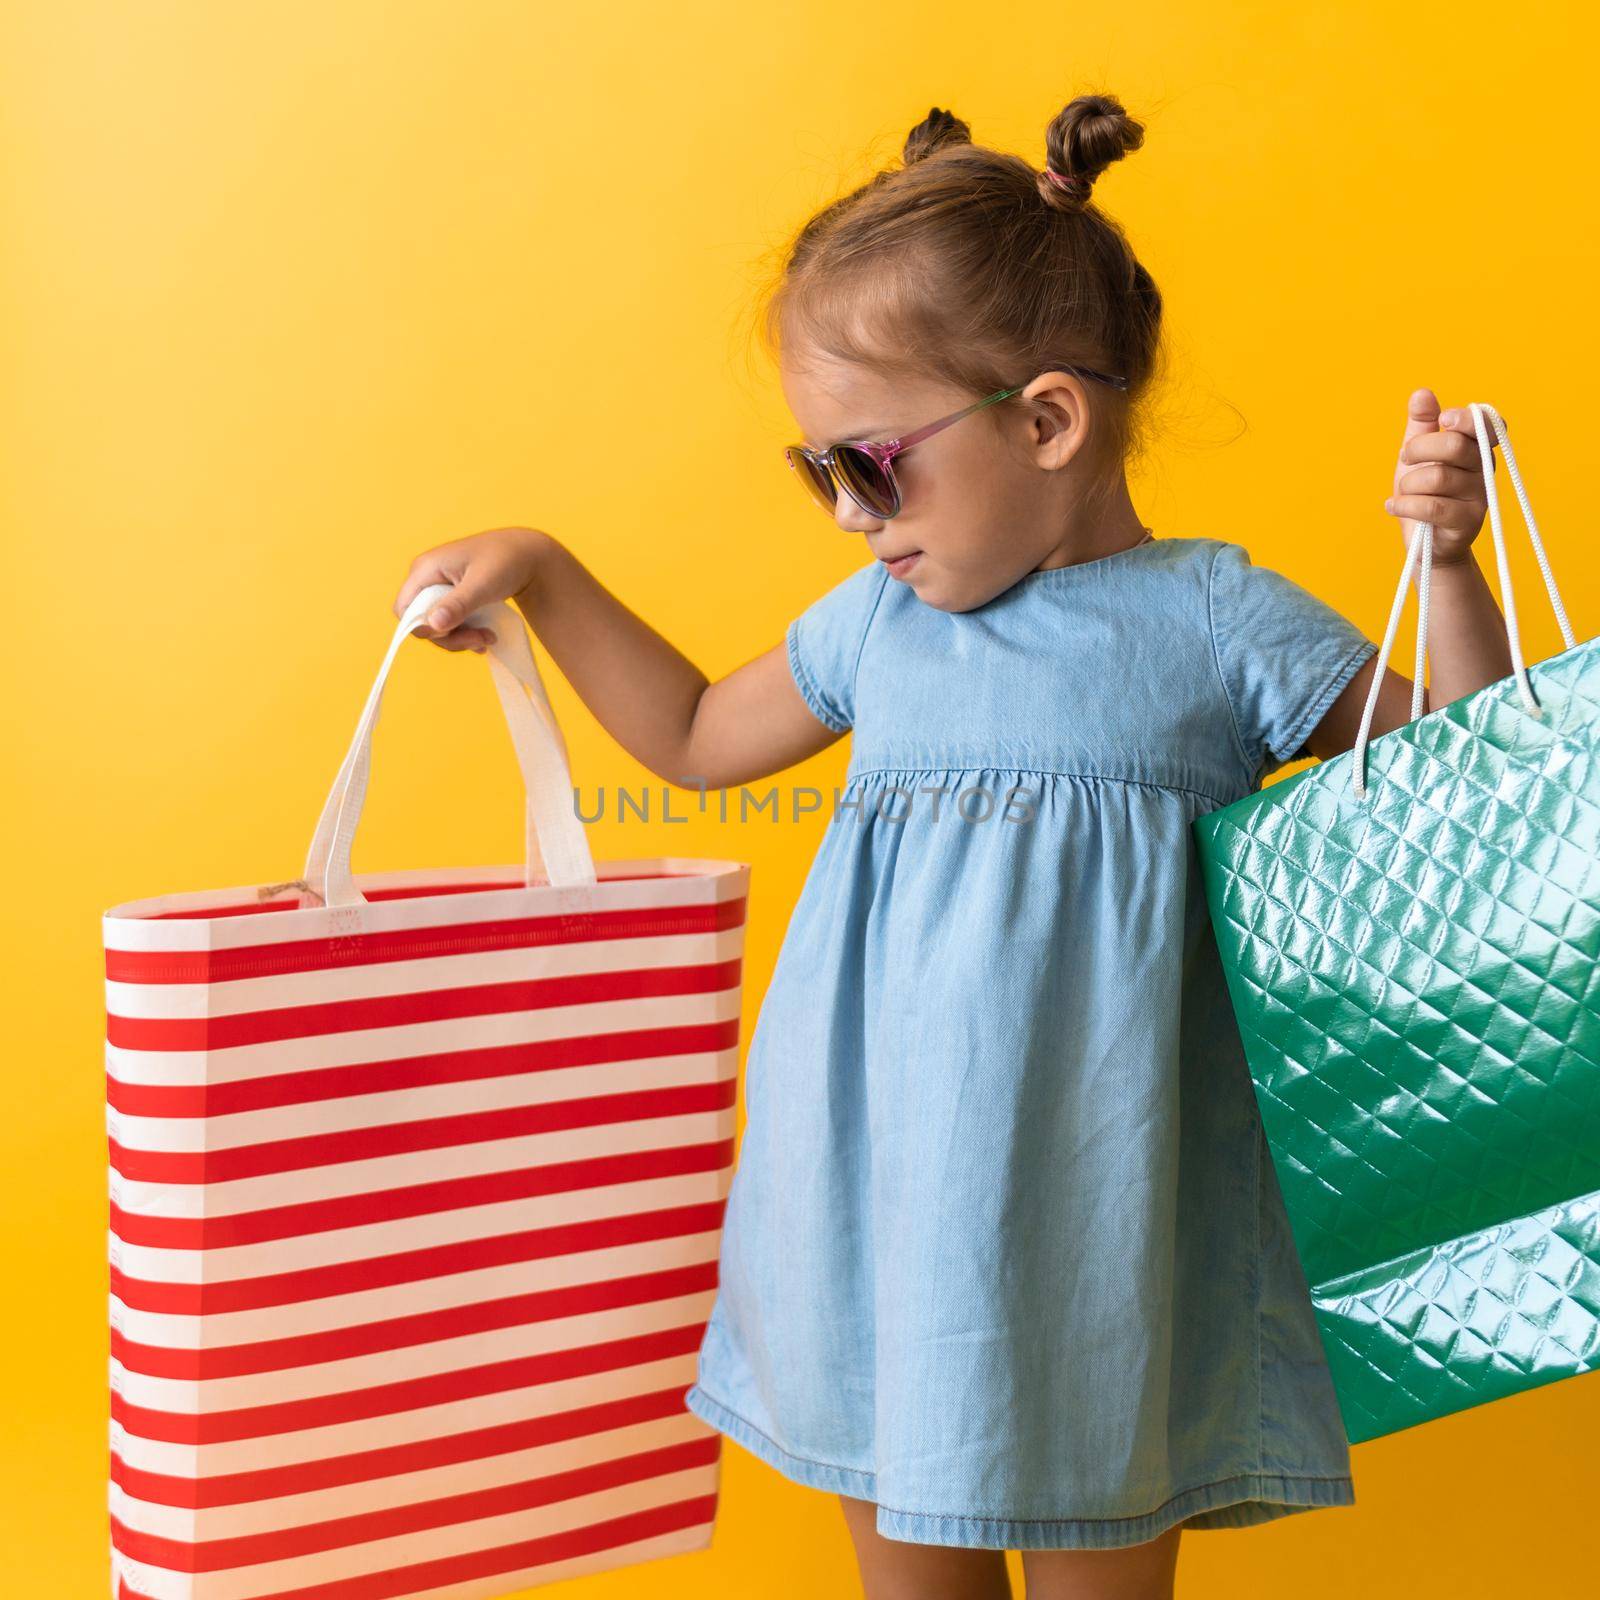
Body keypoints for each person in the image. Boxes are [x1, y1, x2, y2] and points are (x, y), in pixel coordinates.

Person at [392, 91, 1514, 1600]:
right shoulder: (879, 623)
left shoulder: (1217, 622)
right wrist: (540, 568)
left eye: (870, 465)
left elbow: (1466, 791)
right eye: (821, 476)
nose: (852, 521)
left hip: (1105, 1230)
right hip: (870, 1203)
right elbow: (691, 738)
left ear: (1049, 421)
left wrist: (1446, 568)